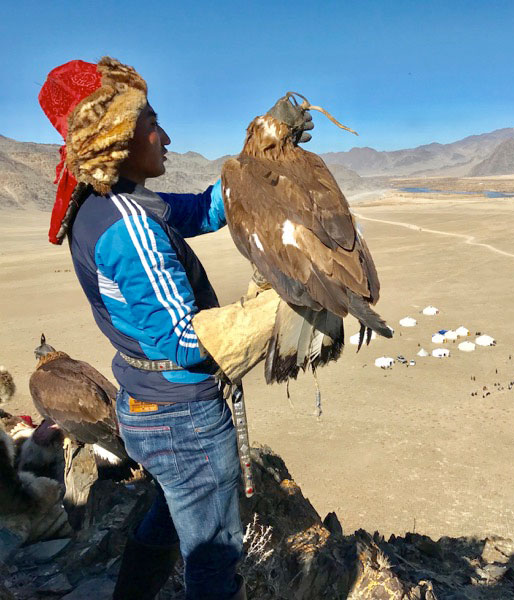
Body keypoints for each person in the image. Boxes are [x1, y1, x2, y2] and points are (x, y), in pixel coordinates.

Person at [38, 57, 312, 600]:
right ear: (117, 138)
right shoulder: (130, 228)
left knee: (169, 515)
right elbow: (184, 342)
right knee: (214, 552)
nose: (166, 136)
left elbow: (206, 210)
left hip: (148, 408)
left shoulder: (109, 202)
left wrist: (258, 160)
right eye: (151, 123)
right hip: (182, 417)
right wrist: (280, 305)